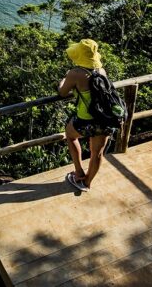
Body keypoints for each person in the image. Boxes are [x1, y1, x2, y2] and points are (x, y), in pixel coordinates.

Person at [58, 39, 116, 192]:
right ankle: (87, 183)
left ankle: (78, 172)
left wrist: (63, 81)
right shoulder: (101, 71)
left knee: (70, 136)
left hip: (86, 120)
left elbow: (62, 92)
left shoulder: (75, 73)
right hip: (106, 118)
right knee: (97, 153)